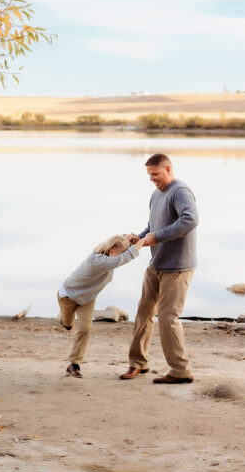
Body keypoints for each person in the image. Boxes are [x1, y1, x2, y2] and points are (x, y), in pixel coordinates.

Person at [119, 153, 199, 384]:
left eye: (155, 174)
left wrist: (156, 238)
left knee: (168, 318)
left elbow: (190, 219)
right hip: (156, 265)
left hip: (177, 267)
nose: (152, 178)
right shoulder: (156, 195)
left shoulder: (180, 191)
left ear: (168, 169)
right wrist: (140, 237)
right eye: (149, 175)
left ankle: (181, 371)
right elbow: (152, 226)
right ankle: (138, 364)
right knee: (143, 315)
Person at [57, 234, 139, 377]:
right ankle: (64, 319)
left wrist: (131, 241)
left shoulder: (109, 258)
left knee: (85, 329)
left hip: (87, 298)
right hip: (68, 297)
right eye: (119, 255)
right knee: (68, 325)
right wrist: (143, 243)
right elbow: (124, 258)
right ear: (111, 252)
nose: (120, 261)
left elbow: (122, 250)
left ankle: (74, 364)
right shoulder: (97, 261)